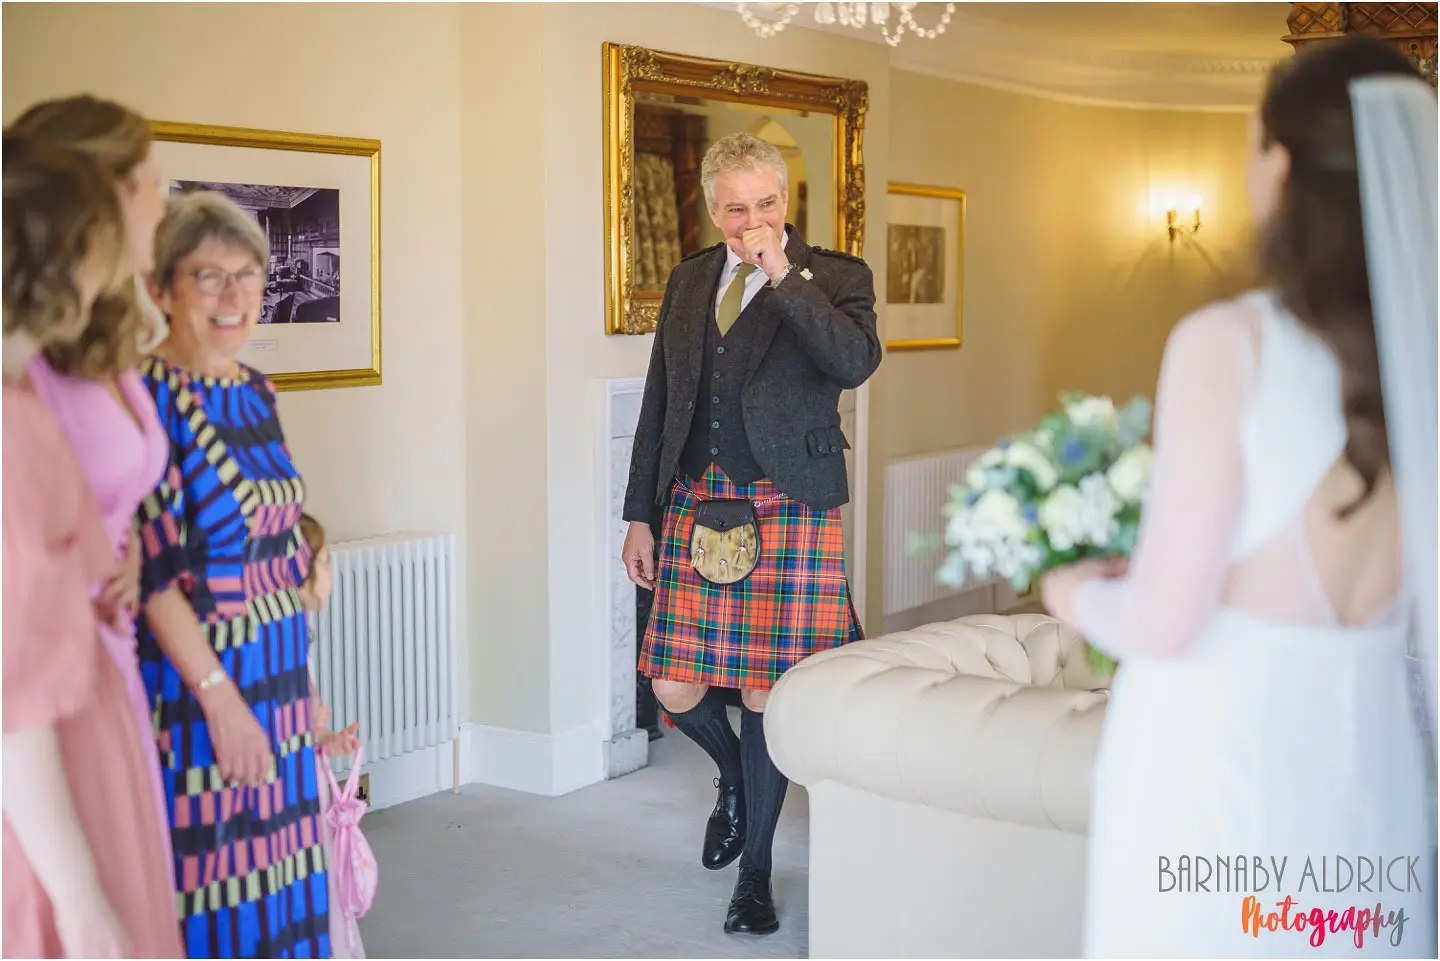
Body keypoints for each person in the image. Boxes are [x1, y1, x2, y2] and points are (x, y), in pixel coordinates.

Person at [1041, 39, 1436, 958]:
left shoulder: (1232, 342)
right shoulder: (1424, 356)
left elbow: (1167, 619)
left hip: (1225, 758)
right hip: (1373, 753)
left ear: (1282, 164)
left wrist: (1072, 592)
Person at [620, 131, 881, 935]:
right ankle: (734, 779)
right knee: (672, 684)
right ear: (711, 206)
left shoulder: (835, 276)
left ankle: (756, 876)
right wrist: (640, 511)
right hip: (699, 500)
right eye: (735, 207)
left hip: (792, 501)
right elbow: (661, 400)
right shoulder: (689, 278)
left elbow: (855, 361)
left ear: (785, 201)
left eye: (766, 203)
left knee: (768, 691)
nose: (751, 221)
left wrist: (782, 275)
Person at [135, 190, 331, 958]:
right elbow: (152, 574)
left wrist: (307, 690)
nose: (234, 296)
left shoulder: (254, 389)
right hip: (200, 684)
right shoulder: (146, 398)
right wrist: (221, 703)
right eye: (208, 276)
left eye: (248, 275)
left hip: (278, 669)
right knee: (216, 896)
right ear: (160, 290)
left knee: (290, 885)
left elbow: (275, 526)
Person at [2, 133, 183, 959]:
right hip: (54, 716)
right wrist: (77, 899)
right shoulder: (14, 417)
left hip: (99, 671)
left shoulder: (28, 404)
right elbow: (13, 703)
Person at [296, 513, 366, 959]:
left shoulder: (299, 636)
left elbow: (309, 726)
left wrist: (327, 739)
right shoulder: (280, 643)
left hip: (311, 783)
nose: (330, 573)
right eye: (323, 562)